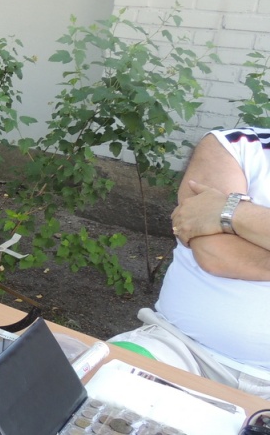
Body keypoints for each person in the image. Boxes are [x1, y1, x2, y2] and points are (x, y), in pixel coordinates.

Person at [109, 127, 270, 399]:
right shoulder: (235, 146)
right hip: (182, 350)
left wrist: (234, 212)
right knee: (103, 384)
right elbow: (217, 254)